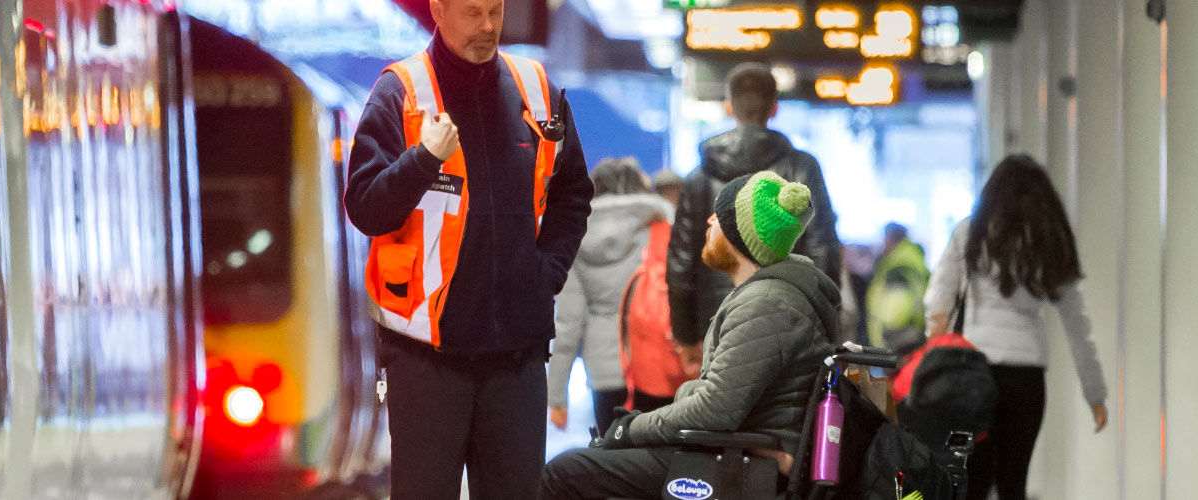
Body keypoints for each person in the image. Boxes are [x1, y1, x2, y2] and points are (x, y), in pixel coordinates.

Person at [342, 0, 593, 495]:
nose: (487, 27)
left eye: (495, 12)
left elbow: (573, 195)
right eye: (473, 12)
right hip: (427, 356)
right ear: (438, 9)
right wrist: (422, 160)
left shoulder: (537, 91)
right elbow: (366, 209)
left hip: (517, 356)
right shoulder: (401, 92)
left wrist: (544, 277)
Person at [541, 172, 841, 500]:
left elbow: (715, 410)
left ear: (740, 236)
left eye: (720, 217)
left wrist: (632, 427)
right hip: (739, 449)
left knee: (565, 471)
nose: (709, 221)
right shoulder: (769, 296)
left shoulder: (766, 304)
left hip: (746, 463)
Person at [922, 155, 1109, 500]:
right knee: (1013, 481)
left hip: (975, 371)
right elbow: (1078, 329)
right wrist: (1095, 394)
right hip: (1026, 378)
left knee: (972, 479)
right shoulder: (1050, 243)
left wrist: (937, 354)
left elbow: (938, 300)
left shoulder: (970, 233)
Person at [669, 63, 840, 372]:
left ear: (728, 107)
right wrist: (825, 323)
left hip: (715, 324)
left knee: (722, 409)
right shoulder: (803, 168)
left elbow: (681, 264)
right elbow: (823, 250)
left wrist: (686, 337)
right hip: (790, 319)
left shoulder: (698, 178)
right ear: (774, 109)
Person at [549, 158, 672, 433]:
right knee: (659, 460)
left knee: (611, 457)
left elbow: (568, 323)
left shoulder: (579, 236)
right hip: (657, 361)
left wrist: (557, 394)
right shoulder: (660, 226)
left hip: (603, 368)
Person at [867, 222, 930, 351]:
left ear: (890, 238)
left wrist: (888, 330)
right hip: (909, 334)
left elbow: (897, 306)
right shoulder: (911, 259)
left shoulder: (900, 265)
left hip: (898, 339)